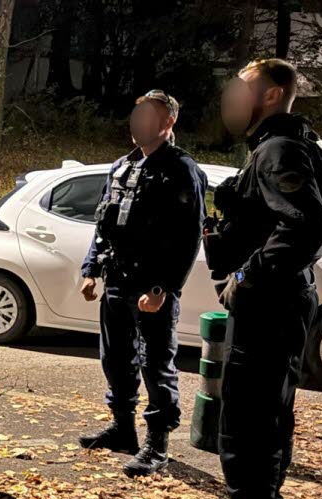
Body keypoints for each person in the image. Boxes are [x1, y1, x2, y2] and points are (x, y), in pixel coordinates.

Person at [181, 59, 322, 499]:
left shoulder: (278, 150)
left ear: (271, 95)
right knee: (269, 421)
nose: (231, 97)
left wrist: (248, 274)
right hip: (284, 303)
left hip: (270, 306)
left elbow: (310, 227)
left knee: (246, 427)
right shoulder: (301, 146)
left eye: (241, 88)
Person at [77, 90, 207, 477]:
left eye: (147, 116)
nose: (137, 123)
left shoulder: (181, 169)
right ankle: (122, 429)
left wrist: (162, 288)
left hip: (152, 287)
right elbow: (103, 225)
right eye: (135, 115)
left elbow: (189, 237)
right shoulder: (122, 167)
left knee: (156, 364)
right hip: (116, 282)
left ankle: (157, 444)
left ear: (167, 123)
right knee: (115, 359)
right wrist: (91, 270)